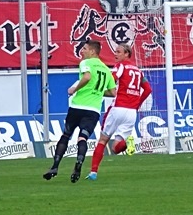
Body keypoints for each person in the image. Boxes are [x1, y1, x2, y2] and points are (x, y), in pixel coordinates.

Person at [43, 39, 115, 183]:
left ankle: (55, 166)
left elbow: (87, 77)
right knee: (82, 138)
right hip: (93, 110)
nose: (82, 51)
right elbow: (113, 92)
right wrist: (98, 92)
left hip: (77, 107)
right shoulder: (107, 70)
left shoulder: (85, 63)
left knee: (66, 135)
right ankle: (79, 164)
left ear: (93, 51)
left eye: (84, 48)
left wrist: (74, 90)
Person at [87, 43, 152, 180]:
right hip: (131, 113)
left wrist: (98, 89)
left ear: (127, 54)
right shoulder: (138, 71)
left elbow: (113, 78)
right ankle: (127, 143)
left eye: (118, 52)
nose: (115, 54)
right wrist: (137, 104)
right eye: (115, 51)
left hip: (118, 108)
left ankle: (93, 172)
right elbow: (148, 90)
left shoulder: (121, 66)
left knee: (103, 140)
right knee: (116, 148)